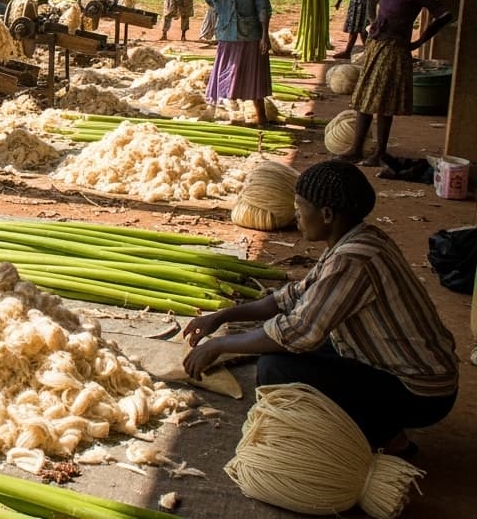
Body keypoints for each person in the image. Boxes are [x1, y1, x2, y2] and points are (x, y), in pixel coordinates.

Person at [184, 160, 458, 457]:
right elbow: (292, 297)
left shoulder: (352, 260)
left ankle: (389, 438)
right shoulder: (358, 239)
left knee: (276, 369)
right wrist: (223, 316)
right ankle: (378, 418)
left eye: (300, 208)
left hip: (421, 393)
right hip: (415, 372)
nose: (296, 215)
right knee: (293, 345)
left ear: (326, 215)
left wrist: (219, 345)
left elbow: (297, 332)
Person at [339, 0, 452, 166]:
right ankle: (356, 149)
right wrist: (373, 20)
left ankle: (379, 153)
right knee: (365, 97)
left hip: (394, 50)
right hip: (376, 46)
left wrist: (419, 41)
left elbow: (444, 15)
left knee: (384, 102)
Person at [204, 0, 272, 126]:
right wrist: (225, 11)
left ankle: (262, 117)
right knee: (225, 75)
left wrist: (265, 35)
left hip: (250, 35)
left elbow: (263, 8)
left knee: (253, 78)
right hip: (227, 34)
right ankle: (224, 114)